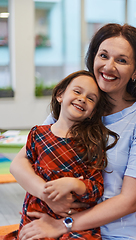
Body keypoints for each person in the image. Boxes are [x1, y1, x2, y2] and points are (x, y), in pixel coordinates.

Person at [9, 23, 136, 240]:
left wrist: (63, 225)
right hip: (53, 224)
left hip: (116, 233)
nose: (109, 67)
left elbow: (130, 200)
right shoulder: (75, 107)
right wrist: (47, 194)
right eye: (103, 55)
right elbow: (19, 163)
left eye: (121, 60)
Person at [5, 70, 119, 240]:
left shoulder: (91, 144)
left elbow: (96, 189)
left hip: (73, 223)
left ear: (93, 112)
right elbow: (20, 169)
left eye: (91, 98)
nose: (82, 99)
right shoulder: (37, 135)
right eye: (77, 91)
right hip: (36, 217)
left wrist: (73, 183)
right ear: (60, 95)